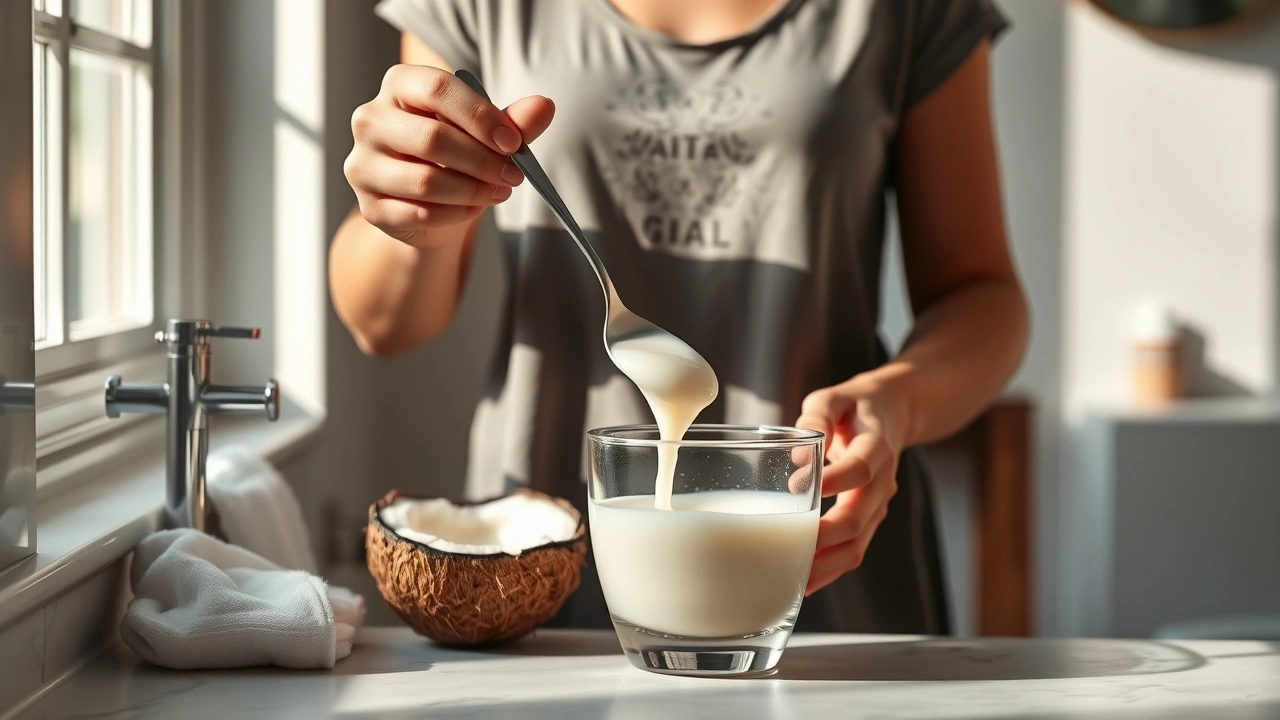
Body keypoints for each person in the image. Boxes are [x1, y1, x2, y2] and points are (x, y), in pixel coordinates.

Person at [330, 0, 1028, 635]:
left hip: (820, 552)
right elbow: (383, 324)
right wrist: (411, 204)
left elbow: (982, 296)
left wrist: (896, 402)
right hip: (542, 561)